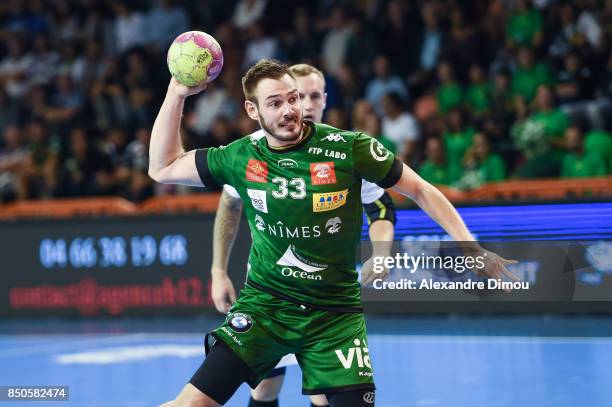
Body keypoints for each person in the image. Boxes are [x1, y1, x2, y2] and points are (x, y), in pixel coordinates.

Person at [149, 59, 516, 407]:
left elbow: (419, 189)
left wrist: (470, 247)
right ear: (252, 111)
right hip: (266, 307)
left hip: (334, 315)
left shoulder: (348, 148)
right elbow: (162, 167)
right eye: (275, 103)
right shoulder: (239, 156)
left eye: (293, 98)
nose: (290, 109)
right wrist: (176, 93)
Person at [210, 63, 397, 407]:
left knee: (327, 395)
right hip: (272, 300)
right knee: (264, 389)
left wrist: (381, 252)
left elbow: (381, 208)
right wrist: (218, 271)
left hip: (326, 303)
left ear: (324, 100)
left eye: (312, 96)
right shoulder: (254, 149)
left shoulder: (345, 152)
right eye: (299, 96)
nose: (305, 104)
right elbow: (230, 206)